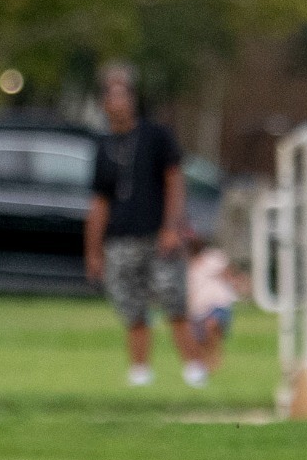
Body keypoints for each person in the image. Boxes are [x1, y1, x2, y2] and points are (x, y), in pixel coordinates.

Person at [85, 63, 204, 389]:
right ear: (104, 103)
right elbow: (99, 203)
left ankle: (194, 368)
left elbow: (174, 180)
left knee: (173, 301)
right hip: (121, 239)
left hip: (156, 234)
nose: (119, 102)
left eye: (125, 94)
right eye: (112, 95)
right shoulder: (103, 146)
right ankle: (140, 371)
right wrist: (93, 251)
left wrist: (171, 227)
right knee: (131, 306)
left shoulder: (156, 136)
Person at [186, 238, 243, 372]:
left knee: (211, 325)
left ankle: (215, 358)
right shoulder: (183, 266)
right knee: (200, 340)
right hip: (196, 309)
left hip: (218, 303)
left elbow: (228, 273)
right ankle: (206, 361)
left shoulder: (213, 257)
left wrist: (236, 282)